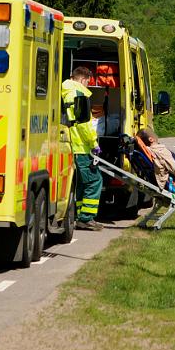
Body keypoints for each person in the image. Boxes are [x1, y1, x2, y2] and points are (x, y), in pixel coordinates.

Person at [62, 66, 104, 230]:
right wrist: (94, 143)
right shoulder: (78, 94)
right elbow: (84, 124)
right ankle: (86, 218)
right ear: (82, 79)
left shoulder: (65, 91)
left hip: (71, 146)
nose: (88, 86)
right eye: (88, 82)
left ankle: (80, 214)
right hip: (81, 147)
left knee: (81, 183)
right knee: (94, 181)